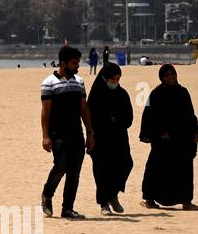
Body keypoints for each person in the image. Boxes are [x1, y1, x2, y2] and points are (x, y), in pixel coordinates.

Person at [39, 45, 94, 220]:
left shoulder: (79, 82)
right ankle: (47, 194)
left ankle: (67, 208)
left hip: (76, 133)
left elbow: (84, 109)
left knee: (74, 172)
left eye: (77, 62)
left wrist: (90, 133)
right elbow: (45, 112)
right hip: (57, 134)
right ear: (63, 63)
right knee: (61, 166)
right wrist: (45, 136)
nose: (77, 66)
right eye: (74, 63)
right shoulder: (49, 83)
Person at [139, 64, 198, 210]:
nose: (171, 78)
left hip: (182, 138)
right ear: (162, 78)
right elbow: (149, 117)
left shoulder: (183, 92)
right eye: (167, 76)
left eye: (172, 75)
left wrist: (196, 131)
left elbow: (190, 114)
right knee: (156, 169)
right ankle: (149, 199)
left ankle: (186, 201)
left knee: (184, 169)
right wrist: (160, 133)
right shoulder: (156, 94)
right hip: (163, 141)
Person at [88, 62, 133, 215]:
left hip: (119, 138)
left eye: (117, 79)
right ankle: (104, 203)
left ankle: (113, 195)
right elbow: (90, 118)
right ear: (104, 78)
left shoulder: (122, 94)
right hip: (100, 139)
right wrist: (91, 134)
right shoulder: (95, 96)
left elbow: (129, 118)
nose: (115, 82)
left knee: (126, 164)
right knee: (102, 170)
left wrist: (116, 120)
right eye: (112, 79)